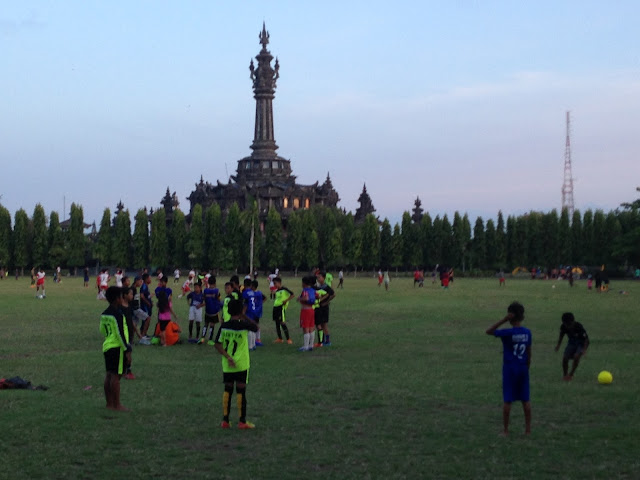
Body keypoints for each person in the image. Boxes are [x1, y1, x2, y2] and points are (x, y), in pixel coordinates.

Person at [485, 302, 532, 436]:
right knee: (525, 399)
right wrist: (527, 366)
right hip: (523, 368)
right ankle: (528, 430)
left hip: (510, 369)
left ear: (510, 316)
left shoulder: (507, 333)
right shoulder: (527, 332)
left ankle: (505, 430)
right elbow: (529, 353)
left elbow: (489, 331)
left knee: (508, 399)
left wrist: (503, 320)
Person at [214, 298, 259, 429]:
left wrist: (227, 356)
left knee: (227, 389)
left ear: (228, 310)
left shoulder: (224, 326)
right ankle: (242, 421)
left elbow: (217, 344)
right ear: (240, 311)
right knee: (241, 391)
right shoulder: (243, 325)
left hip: (228, 364)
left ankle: (225, 420)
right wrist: (244, 315)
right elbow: (256, 327)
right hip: (241, 363)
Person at [100, 286, 132, 411]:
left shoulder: (104, 314)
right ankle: (117, 404)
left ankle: (109, 403)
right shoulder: (118, 315)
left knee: (109, 374)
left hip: (107, 346)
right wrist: (127, 350)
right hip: (117, 347)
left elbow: (102, 330)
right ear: (117, 299)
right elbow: (120, 334)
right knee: (116, 376)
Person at [555, 312, 589, 381]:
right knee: (565, 358)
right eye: (566, 324)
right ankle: (565, 375)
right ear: (564, 323)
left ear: (573, 322)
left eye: (569, 324)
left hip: (581, 343)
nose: (568, 326)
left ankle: (571, 374)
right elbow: (561, 336)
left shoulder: (578, 326)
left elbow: (586, 339)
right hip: (571, 343)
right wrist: (558, 345)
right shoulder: (563, 327)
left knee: (576, 356)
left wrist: (584, 350)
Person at [120, 287, 140, 380]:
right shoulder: (120, 307)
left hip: (130, 333)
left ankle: (127, 371)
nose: (132, 296)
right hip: (123, 334)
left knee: (128, 352)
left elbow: (131, 320)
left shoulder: (129, 306)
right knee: (125, 353)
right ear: (125, 295)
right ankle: (127, 371)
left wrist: (137, 332)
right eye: (130, 294)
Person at [315, 271, 335, 347]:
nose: (318, 279)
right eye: (317, 277)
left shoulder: (326, 287)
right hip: (318, 307)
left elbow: (333, 294)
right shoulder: (318, 286)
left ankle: (327, 341)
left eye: (319, 277)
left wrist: (326, 302)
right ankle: (321, 340)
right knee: (319, 324)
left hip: (324, 308)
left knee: (324, 325)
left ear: (324, 278)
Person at [200, 276, 222, 345]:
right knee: (212, 325)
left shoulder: (205, 290)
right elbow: (219, 299)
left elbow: (203, 298)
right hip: (214, 311)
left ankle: (202, 338)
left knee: (206, 324)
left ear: (208, 283)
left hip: (207, 310)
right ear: (215, 283)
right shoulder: (217, 291)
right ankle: (210, 340)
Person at [297, 276, 316, 352]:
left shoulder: (305, 290)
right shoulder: (312, 290)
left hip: (305, 310)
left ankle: (305, 347)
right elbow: (317, 296)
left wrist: (299, 299)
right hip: (311, 309)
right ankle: (311, 345)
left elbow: (306, 298)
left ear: (304, 283)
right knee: (311, 327)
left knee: (306, 328)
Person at [272, 277, 293, 344]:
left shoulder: (284, 289)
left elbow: (292, 295)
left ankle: (288, 339)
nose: (274, 285)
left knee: (282, 323)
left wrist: (286, 301)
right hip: (275, 307)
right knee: (277, 323)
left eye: (275, 283)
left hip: (281, 307)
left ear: (279, 283)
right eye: (274, 283)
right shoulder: (277, 291)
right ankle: (280, 338)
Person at [139, 273, 153, 342]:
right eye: (149, 278)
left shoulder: (146, 286)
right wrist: (148, 302)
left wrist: (150, 298)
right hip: (145, 307)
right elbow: (141, 296)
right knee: (146, 319)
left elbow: (146, 296)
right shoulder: (144, 286)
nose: (150, 279)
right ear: (146, 279)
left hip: (147, 306)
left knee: (145, 320)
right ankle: (143, 335)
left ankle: (144, 333)